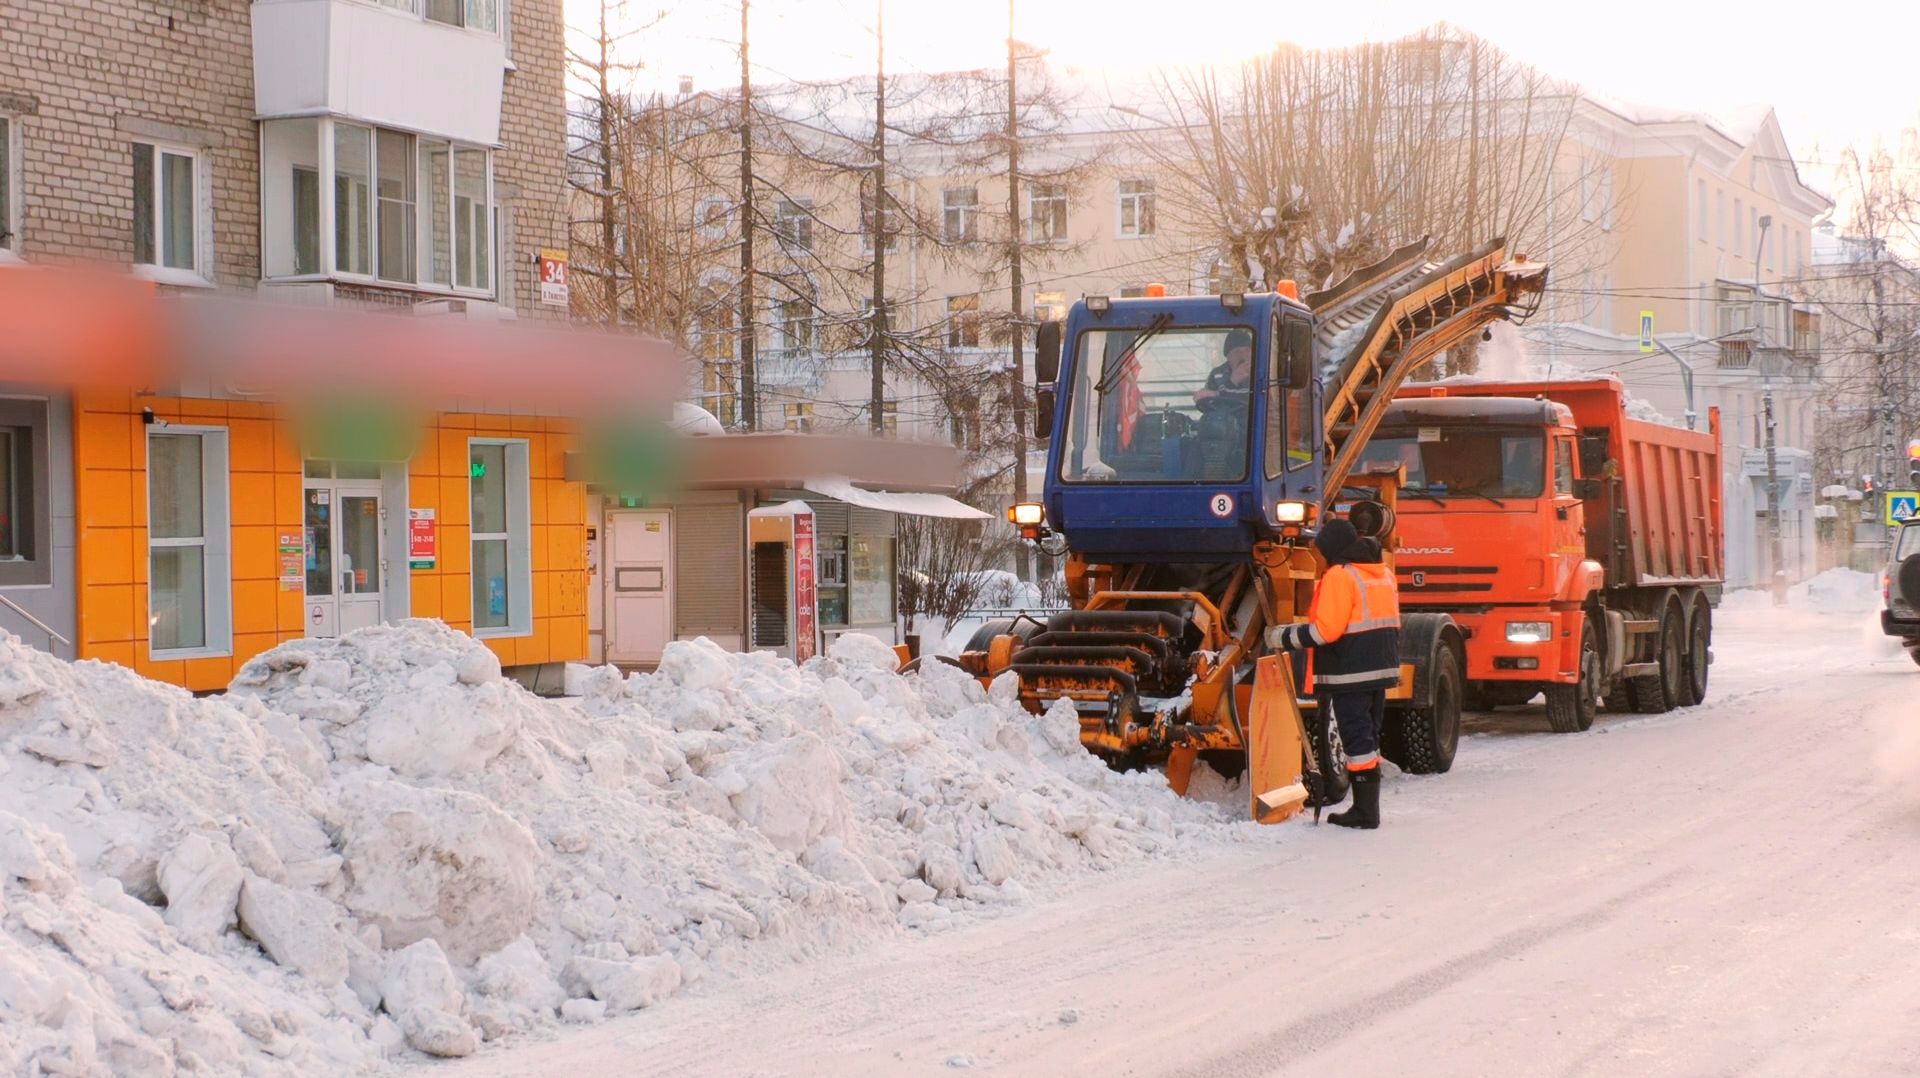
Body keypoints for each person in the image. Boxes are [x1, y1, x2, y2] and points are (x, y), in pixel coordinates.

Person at [1266, 517, 1402, 829]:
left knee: (1356, 738)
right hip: (1379, 668)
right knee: (1367, 736)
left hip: (1350, 671)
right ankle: (1367, 807)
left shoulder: (1340, 576)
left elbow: (1325, 631)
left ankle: (1366, 813)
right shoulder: (1381, 573)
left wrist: (1283, 637)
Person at [1193, 328, 1254, 411]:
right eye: (1237, 351)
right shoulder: (1217, 374)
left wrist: (1232, 382)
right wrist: (1202, 396)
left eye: (1247, 350)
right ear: (1228, 356)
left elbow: (1254, 398)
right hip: (1224, 420)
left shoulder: (1259, 371)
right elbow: (1207, 405)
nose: (1243, 355)